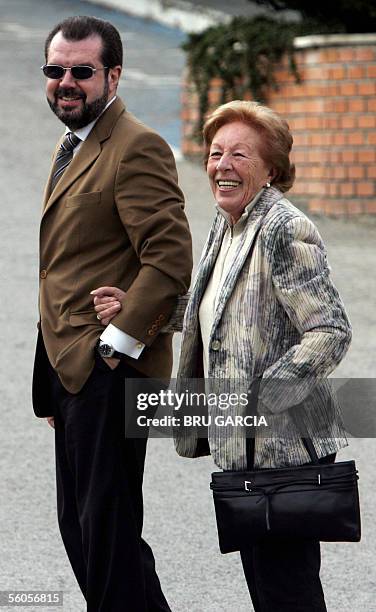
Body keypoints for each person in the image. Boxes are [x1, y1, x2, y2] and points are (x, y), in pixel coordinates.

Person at [95, 100, 352, 610]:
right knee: (266, 583)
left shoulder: (283, 227)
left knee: (287, 589)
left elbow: (329, 330)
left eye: (240, 155)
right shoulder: (228, 223)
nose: (222, 165)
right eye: (215, 154)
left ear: (271, 168)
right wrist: (139, 308)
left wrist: (267, 395)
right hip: (243, 445)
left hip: (282, 447)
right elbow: (212, 310)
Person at [32, 15, 192, 612]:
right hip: (72, 371)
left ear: (114, 75)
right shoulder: (72, 142)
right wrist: (48, 377)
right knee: (86, 531)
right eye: (55, 70)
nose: (66, 82)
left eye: (82, 71)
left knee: (107, 535)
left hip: (112, 374)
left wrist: (113, 346)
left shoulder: (136, 146)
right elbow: (62, 268)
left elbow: (170, 257)